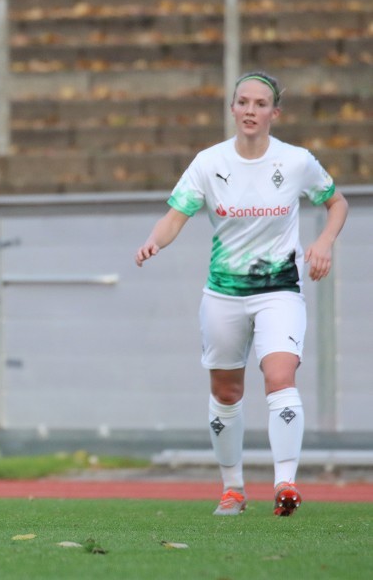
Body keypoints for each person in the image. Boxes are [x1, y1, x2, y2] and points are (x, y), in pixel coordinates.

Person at [135, 71, 348, 517]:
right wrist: (156, 240)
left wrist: (324, 242)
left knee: (279, 377)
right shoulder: (209, 163)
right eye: (243, 102)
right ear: (233, 109)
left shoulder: (295, 161)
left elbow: (336, 202)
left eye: (260, 103)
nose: (251, 110)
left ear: (275, 113)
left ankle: (285, 483)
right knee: (227, 392)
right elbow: (176, 215)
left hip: (280, 290)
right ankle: (232, 489)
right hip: (224, 294)